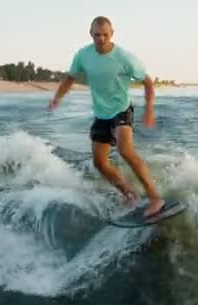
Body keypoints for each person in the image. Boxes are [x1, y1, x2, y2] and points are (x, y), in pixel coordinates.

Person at [47, 16, 165, 218]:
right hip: (101, 113)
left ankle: (155, 198)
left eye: (105, 34)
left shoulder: (124, 58)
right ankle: (129, 194)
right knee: (100, 163)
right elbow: (70, 77)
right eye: (96, 35)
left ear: (112, 34)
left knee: (125, 150)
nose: (101, 38)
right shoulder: (83, 55)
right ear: (90, 34)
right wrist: (57, 98)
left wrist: (150, 108)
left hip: (122, 109)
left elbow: (147, 81)